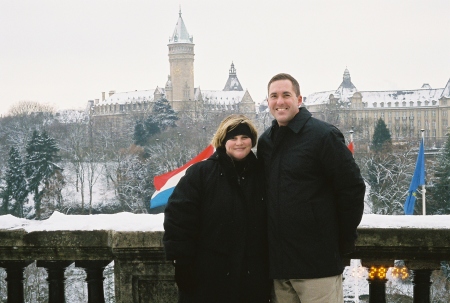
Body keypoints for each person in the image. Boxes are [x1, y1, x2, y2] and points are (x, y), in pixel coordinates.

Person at [257, 73, 365, 303]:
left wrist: (342, 238)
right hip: (280, 267)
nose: (280, 101)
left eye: (286, 95)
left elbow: (352, 188)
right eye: (274, 96)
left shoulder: (323, 135)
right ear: (267, 102)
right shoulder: (266, 142)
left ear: (299, 99)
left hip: (318, 266)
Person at [163, 114, 271, 303]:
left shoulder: (263, 174)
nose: (239, 143)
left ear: (252, 140)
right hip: (208, 276)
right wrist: (181, 263)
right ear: (223, 141)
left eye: (244, 137)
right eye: (233, 138)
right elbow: (179, 219)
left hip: (252, 277)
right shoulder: (201, 173)